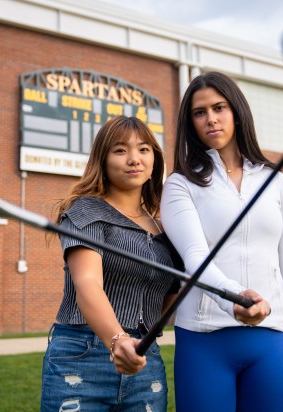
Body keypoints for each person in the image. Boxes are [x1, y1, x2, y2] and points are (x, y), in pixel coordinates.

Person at [161, 71, 283, 411]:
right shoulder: (180, 184)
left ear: (236, 111)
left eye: (219, 108)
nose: (211, 119)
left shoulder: (274, 180)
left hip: (273, 342)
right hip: (205, 342)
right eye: (199, 112)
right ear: (191, 122)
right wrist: (232, 299)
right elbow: (194, 257)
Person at [40, 115, 180, 411]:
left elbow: (171, 296)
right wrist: (117, 340)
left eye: (144, 149)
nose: (134, 159)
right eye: (120, 150)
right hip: (83, 353)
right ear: (101, 159)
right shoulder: (86, 211)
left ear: (155, 158)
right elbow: (87, 283)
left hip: (144, 357)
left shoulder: (166, 228)